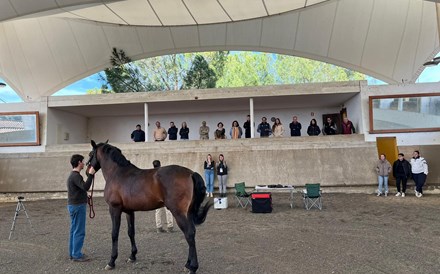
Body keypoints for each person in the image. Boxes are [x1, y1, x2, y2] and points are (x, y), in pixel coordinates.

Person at [67, 154, 96, 262]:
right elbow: (85, 187)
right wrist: (91, 175)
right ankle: (77, 255)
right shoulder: (76, 176)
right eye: (83, 162)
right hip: (78, 206)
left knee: (74, 230)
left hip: (74, 205)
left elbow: (80, 190)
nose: (84, 163)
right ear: (79, 163)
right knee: (79, 231)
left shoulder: (73, 176)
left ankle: (73, 253)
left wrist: (84, 196)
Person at [153, 160, 174, 233]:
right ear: (160, 165)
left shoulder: (151, 175)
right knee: (168, 210)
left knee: (158, 212)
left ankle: (159, 227)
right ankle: (170, 226)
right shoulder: (163, 174)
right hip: (164, 195)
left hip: (156, 195)